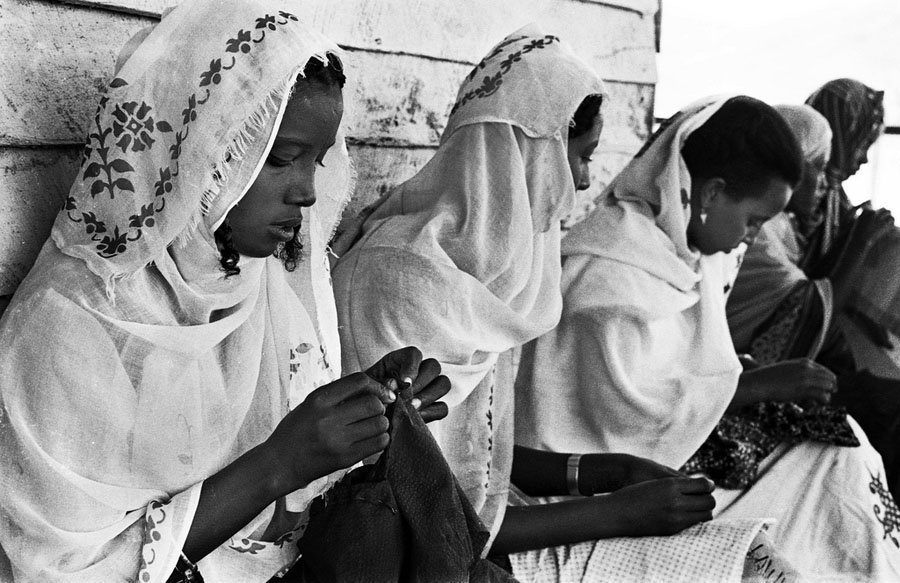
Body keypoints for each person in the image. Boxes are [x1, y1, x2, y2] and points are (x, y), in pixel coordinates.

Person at [0, 2, 449, 581]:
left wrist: (369, 414)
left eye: (317, 161)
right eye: (280, 159)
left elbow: (281, 521)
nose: (307, 192)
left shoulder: (259, 281)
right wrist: (278, 464)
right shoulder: (69, 323)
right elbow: (58, 571)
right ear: (202, 155)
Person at [332, 27, 783, 582]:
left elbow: (476, 454)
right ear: (529, 153)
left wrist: (608, 472)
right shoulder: (396, 280)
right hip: (412, 557)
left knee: (757, 555)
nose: (587, 181)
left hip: (484, 530)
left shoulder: (505, 279)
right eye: (581, 156)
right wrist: (617, 512)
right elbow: (414, 508)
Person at [515, 95, 900, 580]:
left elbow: (682, 365)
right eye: (753, 221)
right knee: (830, 468)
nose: (752, 236)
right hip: (601, 475)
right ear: (712, 194)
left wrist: (743, 376)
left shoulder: (690, 253)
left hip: (672, 441)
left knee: (841, 446)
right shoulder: (609, 269)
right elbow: (619, 412)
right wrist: (754, 387)